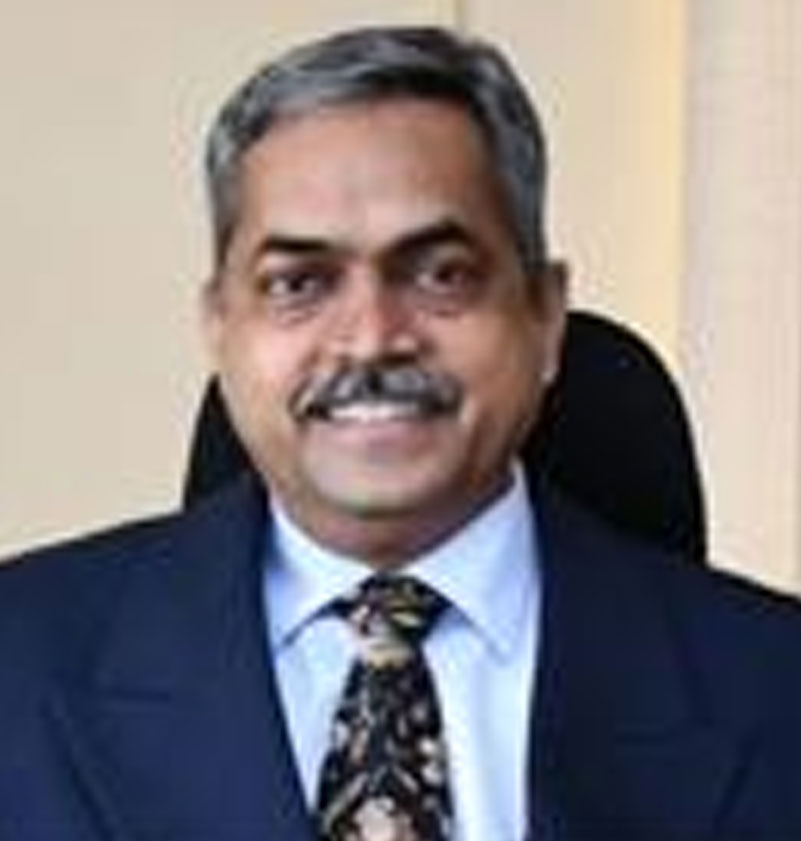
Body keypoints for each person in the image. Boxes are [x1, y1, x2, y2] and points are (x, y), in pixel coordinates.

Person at [1, 25, 801, 841]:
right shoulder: (18, 665)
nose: (372, 337)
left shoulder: (777, 691)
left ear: (544, 313)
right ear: (219, 326)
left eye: (440, 274)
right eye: (298, 283)